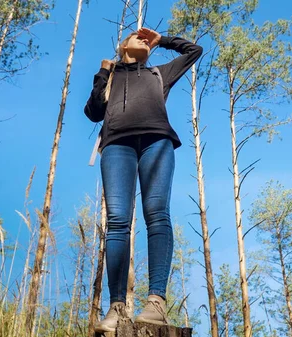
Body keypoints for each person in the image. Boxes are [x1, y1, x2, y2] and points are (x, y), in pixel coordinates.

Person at [84, 27, 202, 332]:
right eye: (137, 37)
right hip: (116, 146)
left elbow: (194, 51)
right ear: (123, 46)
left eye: (147, 41)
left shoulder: (159, 73)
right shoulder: (111, 79)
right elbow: (93, 111)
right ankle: (117, 308)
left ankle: (156, 304)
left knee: (157, 214)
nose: (144, 41)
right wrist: (103, 71)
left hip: (157, 143)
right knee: (118, 221)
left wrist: (162, 39)